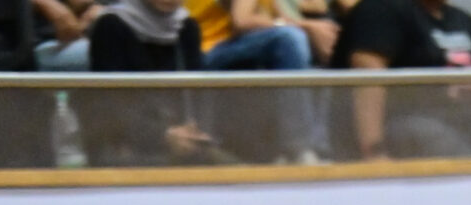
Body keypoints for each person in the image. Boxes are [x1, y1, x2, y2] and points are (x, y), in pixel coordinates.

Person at [336, 0, 471, 157]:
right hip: (402, 124)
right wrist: (374, 153)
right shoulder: (380, 9)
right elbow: (368, 81)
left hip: (459, 119)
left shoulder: (461, 19)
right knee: (434, 136)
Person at [183, 0, 325, 159]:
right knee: (290, 38)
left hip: (240, 45)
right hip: (208, 47)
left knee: (301, 45)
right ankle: (299, 148)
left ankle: (313, 149)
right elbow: (242, 21)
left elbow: (281, 18)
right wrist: (304, 27)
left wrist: (313, 30)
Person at [84, 0, 223, 162]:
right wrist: (164, 136)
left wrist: (197, 132)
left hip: (186, 148)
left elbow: (198, 96)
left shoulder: (187, 28)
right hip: (132, 152)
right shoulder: (111, 26)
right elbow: (109, 108)